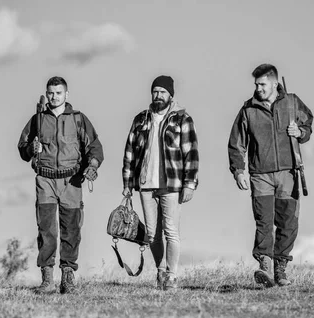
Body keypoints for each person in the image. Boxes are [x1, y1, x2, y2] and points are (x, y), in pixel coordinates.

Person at [228, 64, 313, 287]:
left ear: (275, 84)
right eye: (256, 85)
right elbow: (236, 143)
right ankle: (264, 266)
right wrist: (238, 171)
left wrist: (300, 132)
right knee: (263, 221)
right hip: (260, 175)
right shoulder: (248, 109)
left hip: (289, 172)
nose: (258, 89)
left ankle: (281, 267)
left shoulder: (293, 102)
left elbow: (308, 123)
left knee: (288, 222)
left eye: (262, 84)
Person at [18, 76, 104, 294]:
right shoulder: (37, 119)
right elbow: (22, 148)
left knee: (71, 229)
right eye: (50, 92)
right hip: (45, 179)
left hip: (71, 181)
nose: (53, 96)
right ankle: (47, 280)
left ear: (67, 95)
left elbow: (94, 146)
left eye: (58, 93)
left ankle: (68, 277)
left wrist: (92, 166)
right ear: (46, 94)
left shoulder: (78, 119)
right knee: (46, 229)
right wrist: (31, 149)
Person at [122, 75, 199, 290]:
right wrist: (127, 184)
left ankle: (172, 276)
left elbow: (191, 152)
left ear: (171, 95)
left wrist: (190, 184)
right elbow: (129, 152)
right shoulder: (141, 119)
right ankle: (160, 271)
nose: (158, 95)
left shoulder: (182, 119)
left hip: (172, 183)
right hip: (146, 184)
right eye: (155, 91)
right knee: (152, 234)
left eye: (162, 92)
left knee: (171, 231)